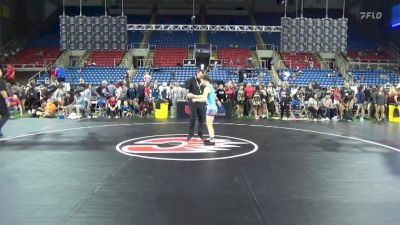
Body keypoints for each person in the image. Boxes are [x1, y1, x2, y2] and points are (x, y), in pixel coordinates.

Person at [187, 74, 219, 145]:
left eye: (202, 81)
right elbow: (203, 95)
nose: (201, 83)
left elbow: (204, 99)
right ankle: (212, 138)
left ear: (205, 80)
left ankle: (212, 140)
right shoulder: (211, 87)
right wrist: (193, 96)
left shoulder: (207, 88)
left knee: (209, 124)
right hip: (213, 108)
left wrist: (195, 99)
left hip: (210, 108)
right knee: (210, 124)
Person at [185, 69, 205, 141]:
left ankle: (200, 134)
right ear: (197, 73)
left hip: (201, 101)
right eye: (201, 74)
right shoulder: (192, 79)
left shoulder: (203, 80)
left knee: (202, 118)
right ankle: (190, 134)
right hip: (193, 102)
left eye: (203, 75)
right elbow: (186, 86)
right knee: (193, 118)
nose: (202, 76)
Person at [0, 69, 10, 137]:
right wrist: (7, 100)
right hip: (1, 101)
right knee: (7, 114)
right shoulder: (0, 80)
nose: (1, 72)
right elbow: (2, 91)